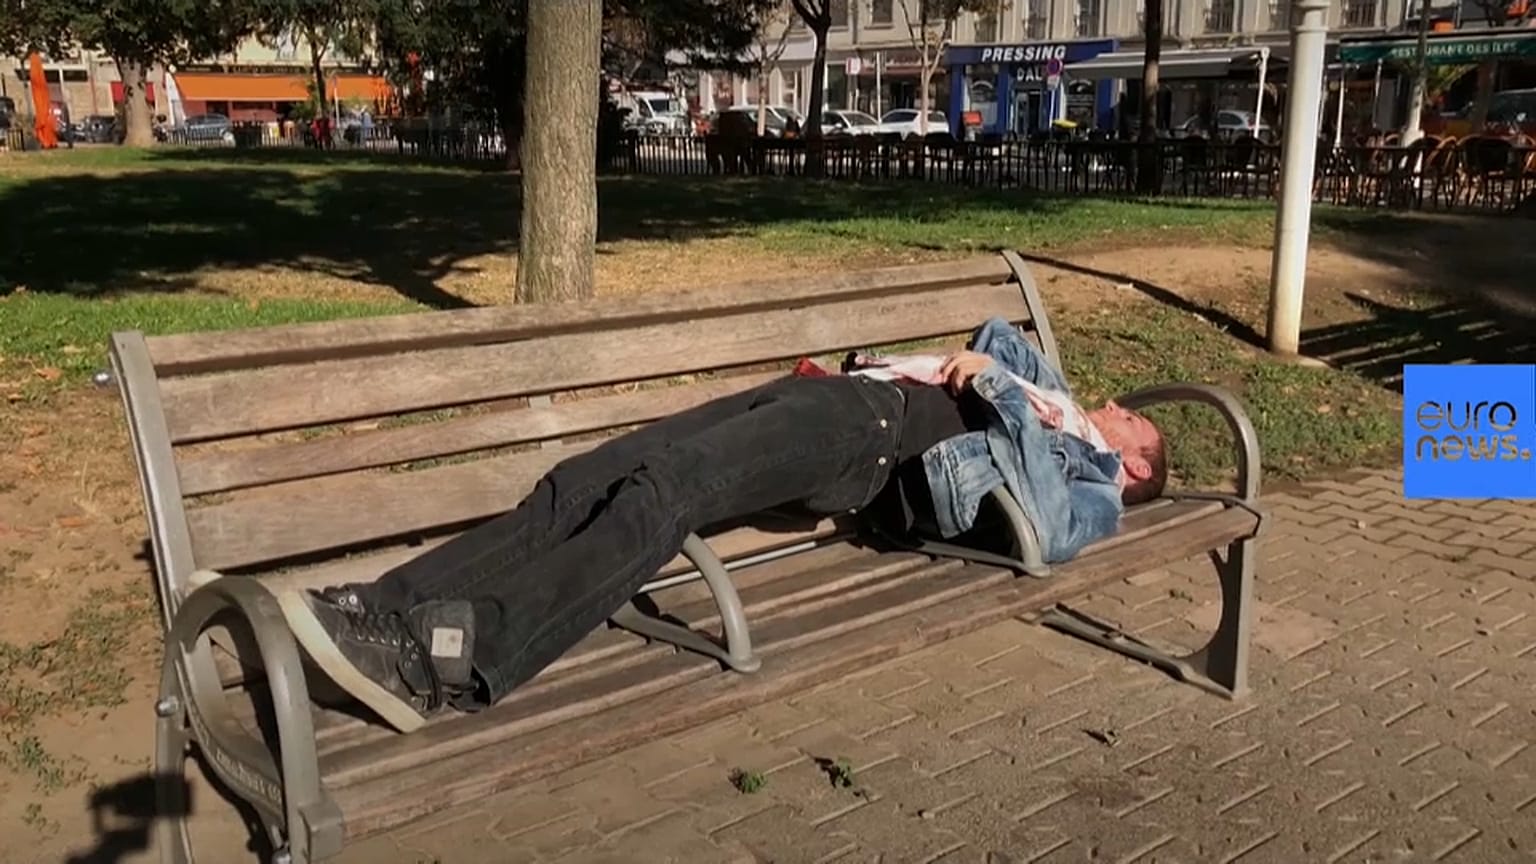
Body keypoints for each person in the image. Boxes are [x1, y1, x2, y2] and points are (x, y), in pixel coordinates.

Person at [271, 317, 1168, 733]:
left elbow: (1047, 532)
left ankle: (451, 660)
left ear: (1134, 467)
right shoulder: (1070, 412)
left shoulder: (1091, 486)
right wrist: (1038, 388)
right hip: (842, 389)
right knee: (589, 474)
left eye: (1134, 424)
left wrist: (1013, 397)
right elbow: (999, 333)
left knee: (670, 488)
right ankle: (386, 610)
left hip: (873, 435)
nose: (1119, 407)